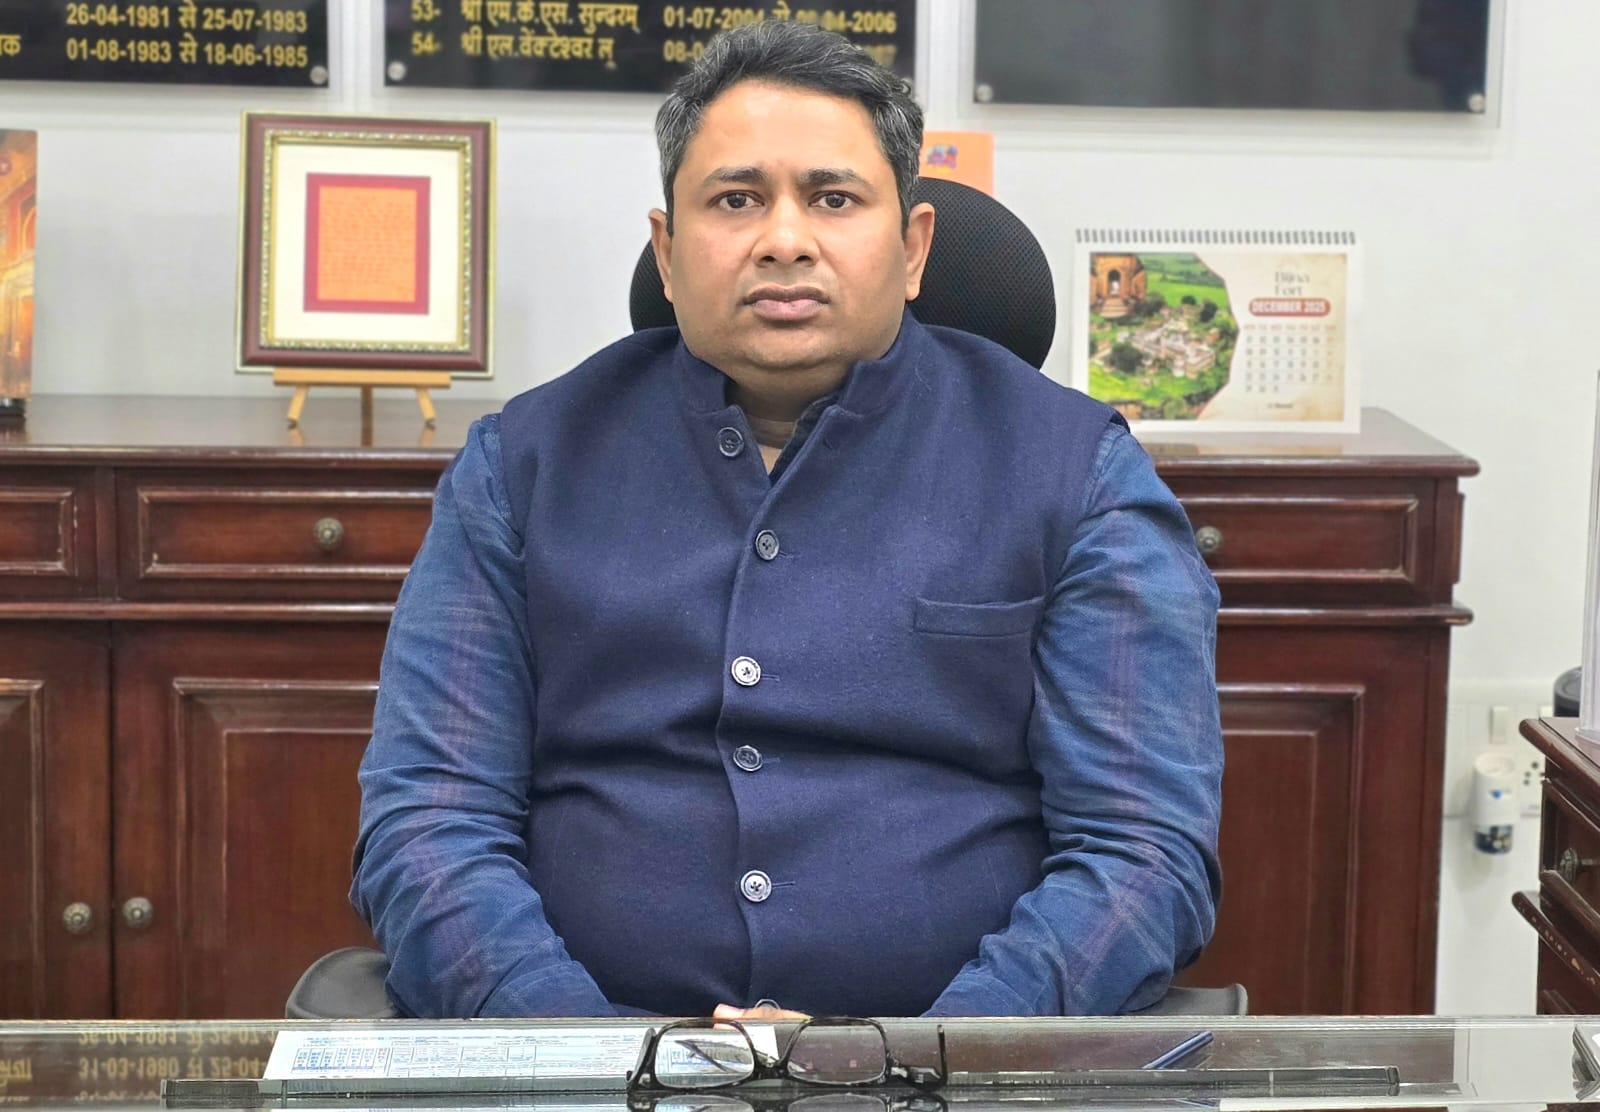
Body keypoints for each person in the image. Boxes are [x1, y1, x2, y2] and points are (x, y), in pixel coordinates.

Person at [351, 19, 1223, 1021]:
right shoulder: (522, 465)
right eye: (736, 199)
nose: (783, 239)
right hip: (588, 1063)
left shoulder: (1078, 472)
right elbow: (429, 823)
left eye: (833, 198)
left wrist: (926, 1058)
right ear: (667, 252)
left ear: (913, 247)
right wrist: (587, 1049)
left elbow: (1141, 851)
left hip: (956, 1069)